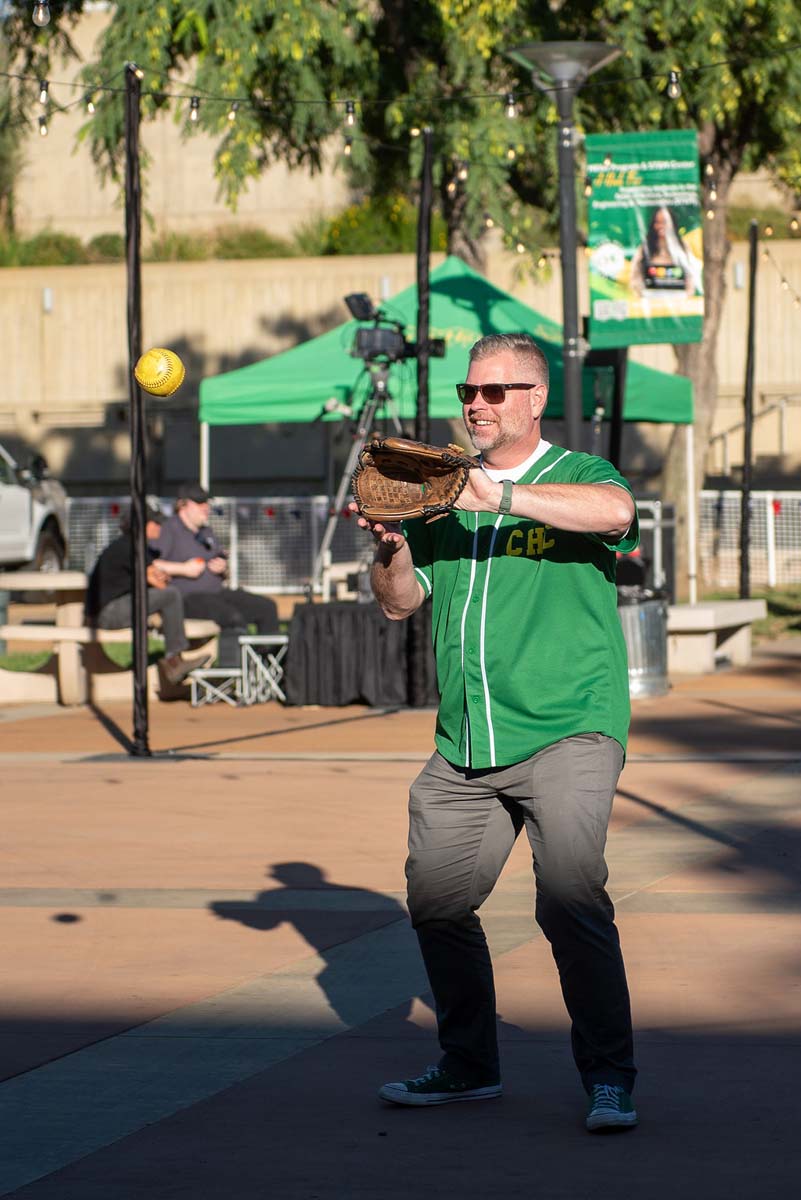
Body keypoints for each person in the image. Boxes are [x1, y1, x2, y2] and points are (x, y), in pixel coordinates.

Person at [355, 333, 640, 1132]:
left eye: (495, 391)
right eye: (467, 392)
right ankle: (469, 1065)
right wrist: (391, 547)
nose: (476, 404)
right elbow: (398, 603)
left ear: (534, 398)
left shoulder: (578, 474)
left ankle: (609, 1077)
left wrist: (498, 497)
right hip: (465, 745)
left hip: (568, 729)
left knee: (570, 898)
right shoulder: (438, 492)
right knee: (438, 902)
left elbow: (616, 514)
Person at [85, 502, 211, 685]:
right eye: (156, 523)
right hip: (107, 614)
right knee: (171, 595)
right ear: (144, 525)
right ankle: (174, 662)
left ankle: (174, 659)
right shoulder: (130, 547)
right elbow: (158, 582)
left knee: (167, 596)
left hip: (112, 610)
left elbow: (152, 577)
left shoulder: (135, 546)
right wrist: (164, 577)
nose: (160, 527)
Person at [152, 484, 279, 665]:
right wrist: (183, 569)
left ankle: (267, 668)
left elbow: (221, 567)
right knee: (233, 617)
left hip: (217, 593)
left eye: (207, 503)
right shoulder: (169, 529)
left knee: (266, 607)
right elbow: (151, 564)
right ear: (183, 505)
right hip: (187, 598)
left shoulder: (206, 532)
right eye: (199, 503)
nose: (206, 508)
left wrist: (222, 568)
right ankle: (233, 678)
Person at [630, 205, 701, 297]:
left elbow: (691, 276)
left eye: (665, 222)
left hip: (678, 301)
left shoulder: (683, 247)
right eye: (657, 222)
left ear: (672, 223)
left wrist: (686, 295)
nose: (661, 226)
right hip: (651, 302)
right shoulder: (645, 248)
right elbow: (634, 277)